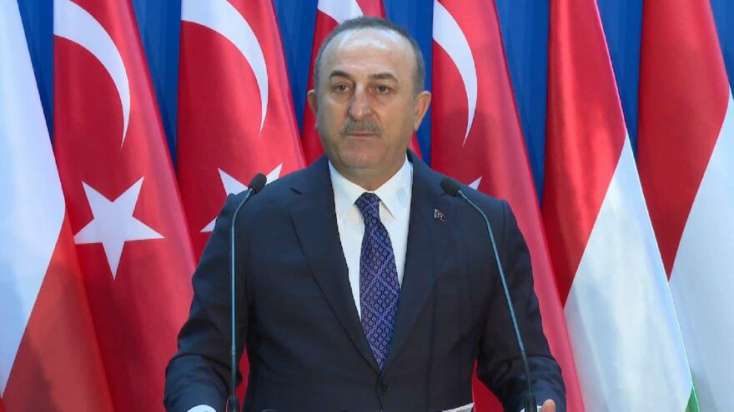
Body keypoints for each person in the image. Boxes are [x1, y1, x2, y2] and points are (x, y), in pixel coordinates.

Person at [165, 17, 565, 412]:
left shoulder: (480, 223)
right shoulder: (253, 220)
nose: (358, 109)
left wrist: (537, 402)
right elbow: (201, 361)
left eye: (381, 89)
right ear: (315, 105)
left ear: (418, 109)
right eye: (341, 88)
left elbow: (524, 365)